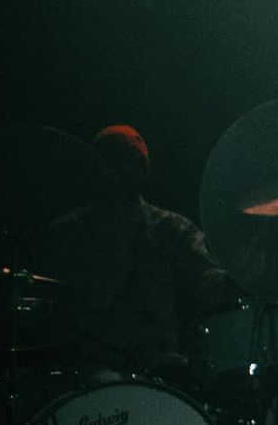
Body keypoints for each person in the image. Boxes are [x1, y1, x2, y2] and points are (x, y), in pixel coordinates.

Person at [61, 124, 237, 378]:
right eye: (114, 160)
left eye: (133, 160)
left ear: (145, 168)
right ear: (96, 166)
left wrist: (242, 274)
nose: (123, 168)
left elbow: (211, 285)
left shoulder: (171, 228)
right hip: (87, 368)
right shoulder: (69, 232)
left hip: (160, 367)